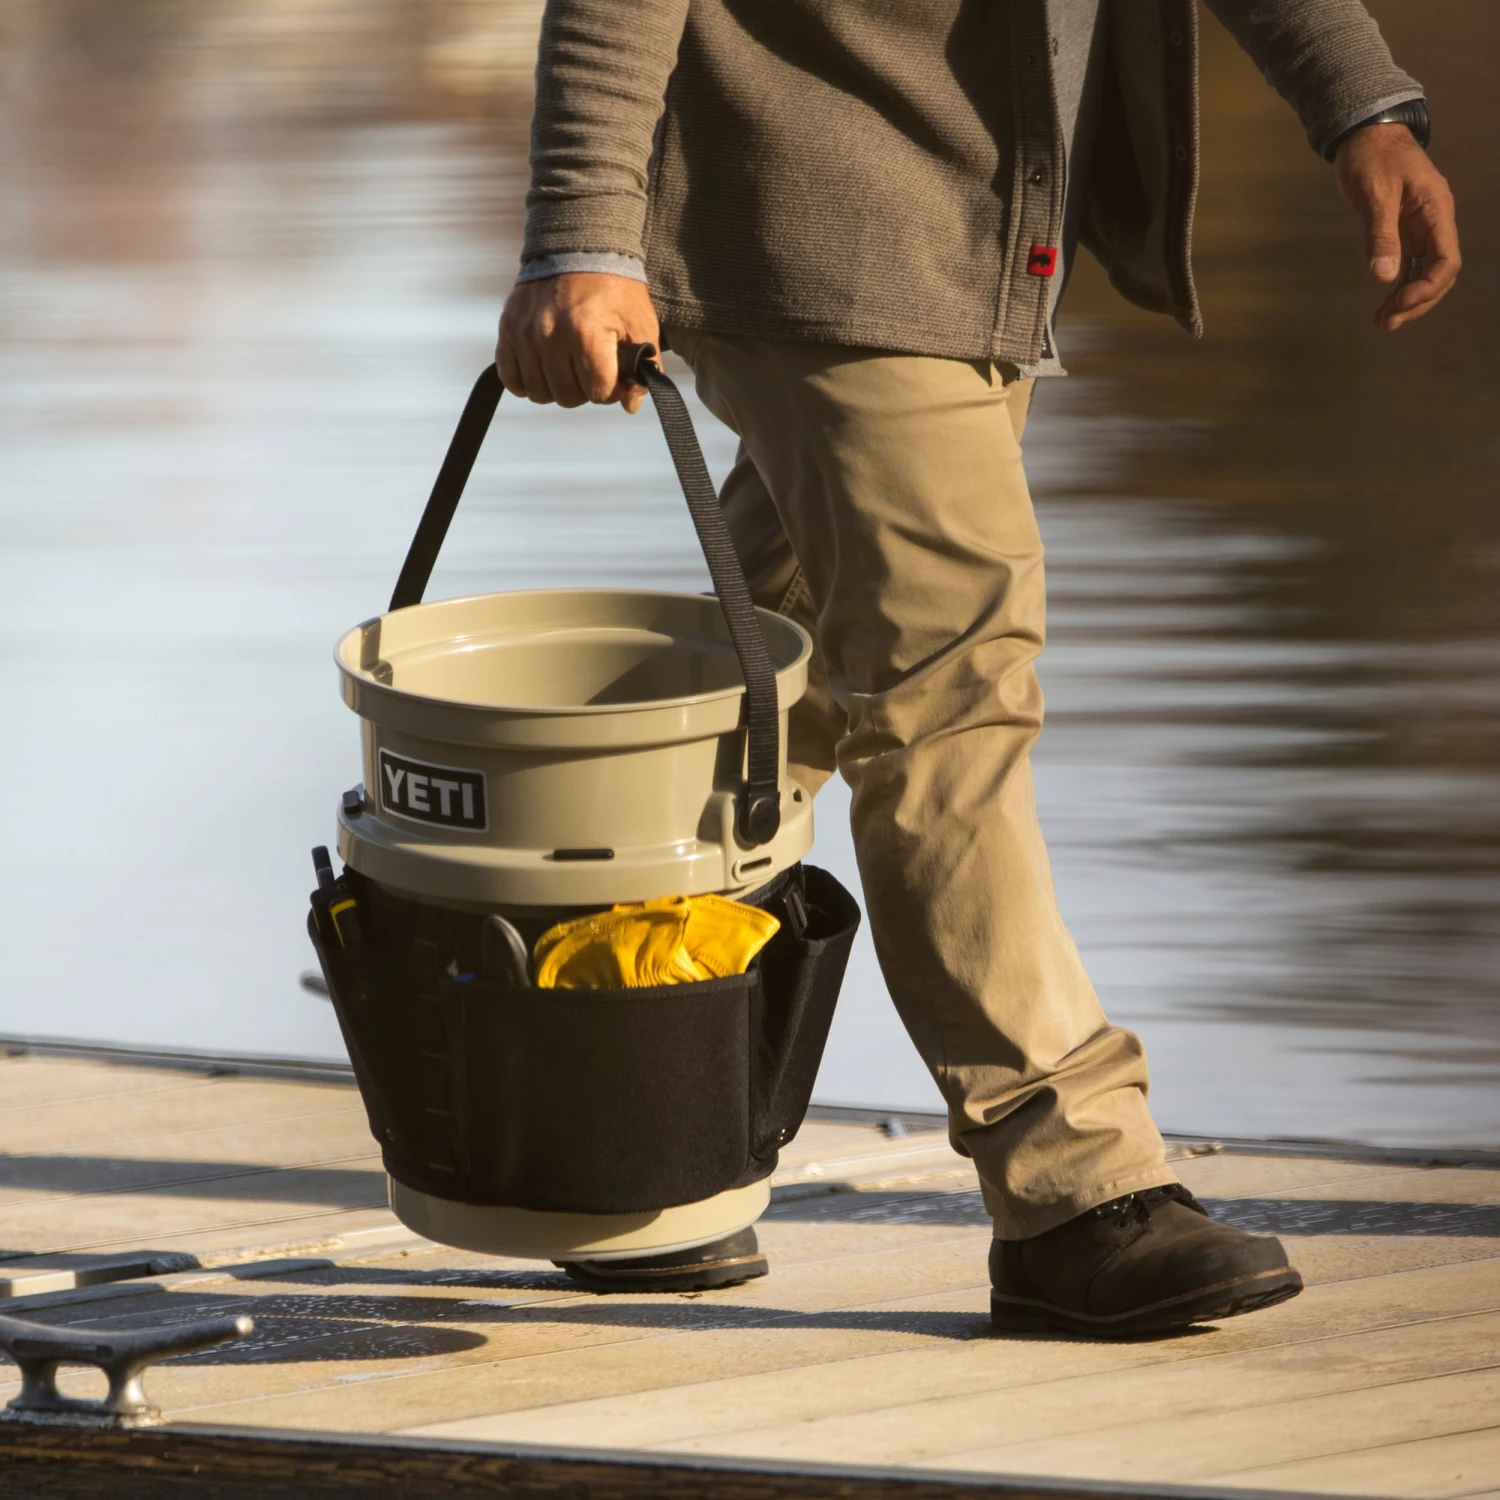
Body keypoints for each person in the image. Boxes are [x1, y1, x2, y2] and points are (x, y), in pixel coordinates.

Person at [497, 0, 1461, 1336]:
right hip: (825, 224)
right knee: (950, 694)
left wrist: (1358, 103)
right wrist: (584, 232)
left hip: (980, 247)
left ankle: (619, 1149)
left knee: (779, 709)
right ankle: (1076, 1186)